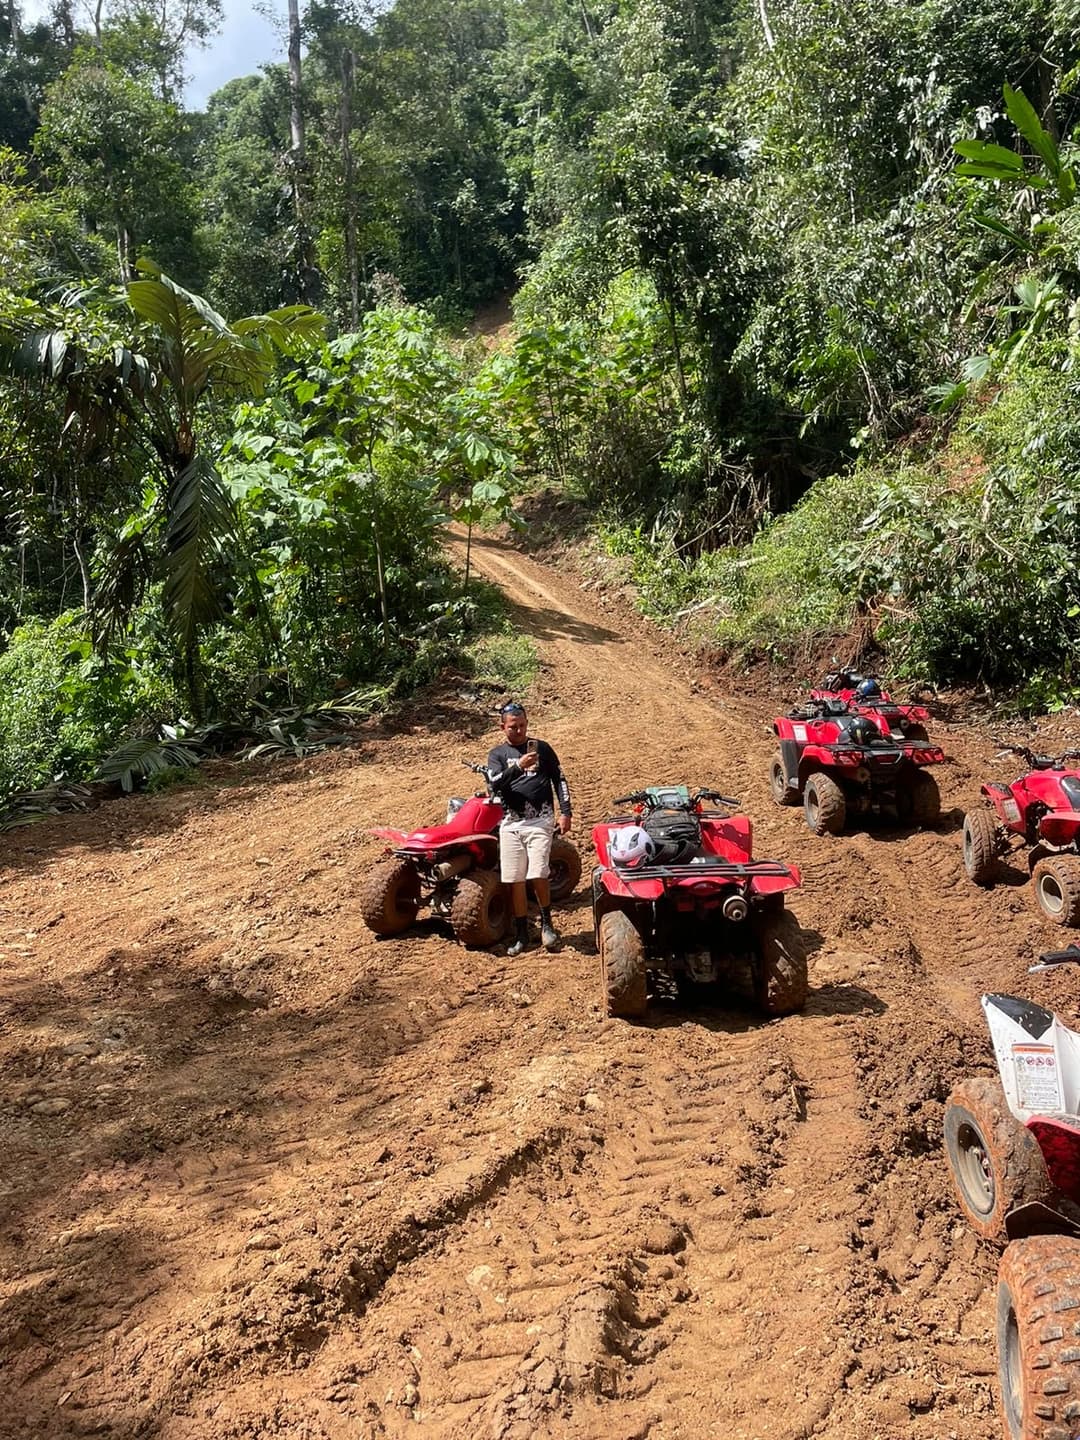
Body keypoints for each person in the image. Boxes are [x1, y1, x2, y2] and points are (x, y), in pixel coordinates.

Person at [486, 703, 573, 956]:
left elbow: (560, 779)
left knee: (538, 873)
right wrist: (518, 766)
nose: (520, 730)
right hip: (511, 823)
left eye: (523, 725)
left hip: (540, 821)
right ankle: (522, 933)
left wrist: (566, 812)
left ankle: (547, 925)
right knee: (514, 879)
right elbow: (494, 785)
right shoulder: (497, 755)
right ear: (503, 727)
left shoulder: (542, 748)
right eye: (514, 727)